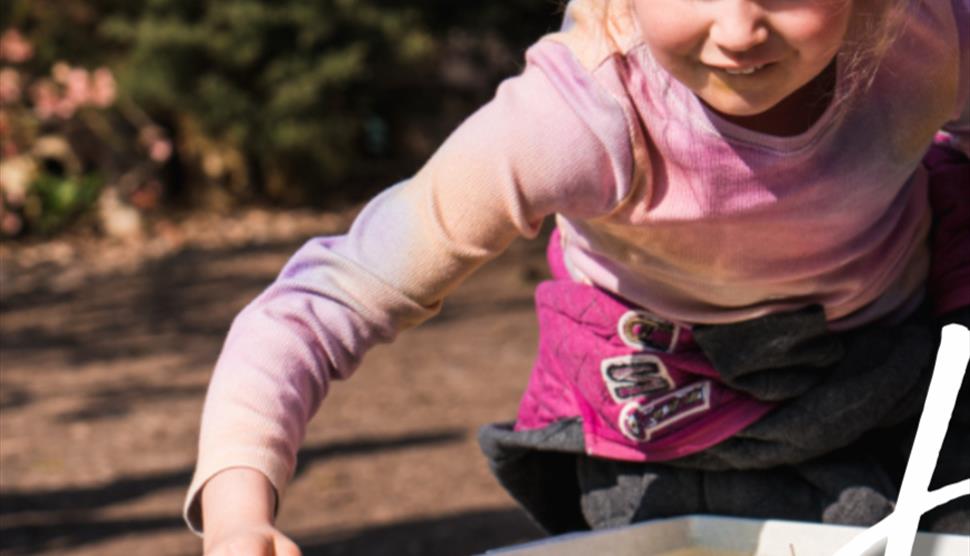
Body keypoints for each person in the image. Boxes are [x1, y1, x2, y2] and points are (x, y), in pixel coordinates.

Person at [186, 0, 970, 553]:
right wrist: (235, 517)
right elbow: (323, 300)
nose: (738, 30)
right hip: (667, 423)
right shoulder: (575, 120)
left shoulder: (926, 32)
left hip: (897, 383)